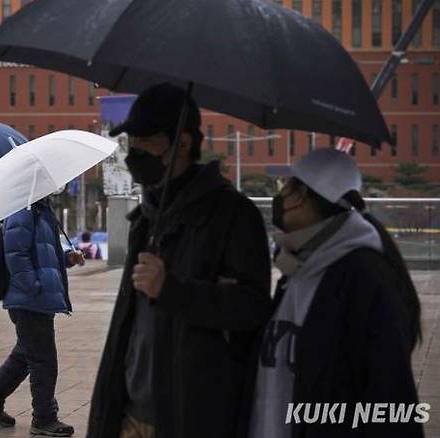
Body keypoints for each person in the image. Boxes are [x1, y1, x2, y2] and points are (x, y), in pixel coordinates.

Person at [86, 83, 273, 438]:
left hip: (191, 415)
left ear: (183, 144)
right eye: (132, 143)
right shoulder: (147, 216)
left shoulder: (232, 215)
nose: (135, 152)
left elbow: (252, 308)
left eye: (147, 142)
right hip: (130, 410)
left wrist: (172, 290)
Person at [239, 148, 423, 438]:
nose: (281, 196)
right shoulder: (298, 266)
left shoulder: (362, 274)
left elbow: (390, 392)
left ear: (302, 195)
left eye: (285, 187)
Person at [0, 198, 85, 437]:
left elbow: (43, 254)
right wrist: (34, 287)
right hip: (29, 300)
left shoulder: (40, 210)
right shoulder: (21, 212)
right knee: (44, 361)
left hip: (38, 299)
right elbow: (16, 255)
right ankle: (44, 418)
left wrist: (68, 259)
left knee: (26, 353)